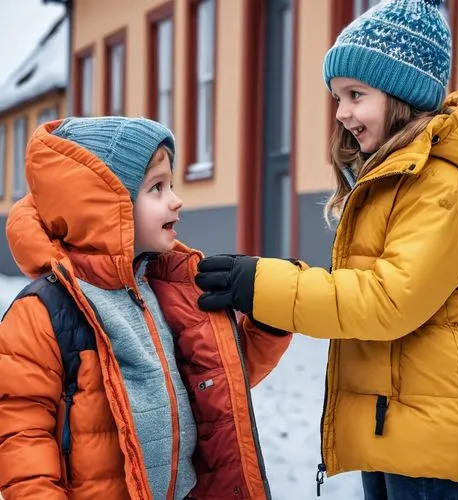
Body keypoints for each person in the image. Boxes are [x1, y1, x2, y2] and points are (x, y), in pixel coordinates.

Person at [194, 0, 458, 499]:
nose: (342, 114)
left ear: (402, 94)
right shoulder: (397, 182)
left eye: (356, 94)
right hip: (397, 418)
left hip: (428, 429)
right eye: (337, 98)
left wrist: (264, 284)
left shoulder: (439, 189)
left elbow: (384, 302)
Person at [0, 116, 291, 500]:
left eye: (171, 185)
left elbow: (214, 381)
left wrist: (269, 321)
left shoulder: (170, 288)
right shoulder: (45, 311)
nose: (175, 199)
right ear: (106, 206)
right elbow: (22, 436)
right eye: (156, 187)